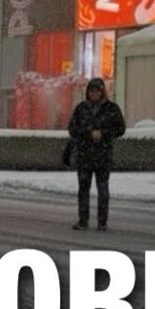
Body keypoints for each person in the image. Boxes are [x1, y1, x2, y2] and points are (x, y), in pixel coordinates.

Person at [67, 77, 126, 231]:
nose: (94, 94)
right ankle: (83, 220)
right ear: (88, 92)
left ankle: (102, 222)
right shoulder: (81, 109)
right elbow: (72, 129)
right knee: (83, 189)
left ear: (102, 92)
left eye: (97, 91)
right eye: (91, 91)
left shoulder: (112, 109)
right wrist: (88, 134)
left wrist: (104, 134)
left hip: (103, 156)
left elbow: (121, 129)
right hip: (85, 156)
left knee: (103, 190)